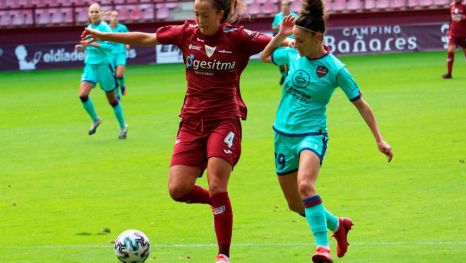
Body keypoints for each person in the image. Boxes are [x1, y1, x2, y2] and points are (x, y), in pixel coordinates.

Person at [81, 0, 272, 262]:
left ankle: (223, 255)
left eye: (205, 15)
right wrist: (105, 35)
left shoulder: (237, 37)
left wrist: (293, 41)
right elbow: (146, 38)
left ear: (220, 14)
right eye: (196, 14)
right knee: (178, 189)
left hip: (224, 119)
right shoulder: (186, 32)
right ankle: (218, 204)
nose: (199, 19)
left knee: (217, 184)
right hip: (191, 121)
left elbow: (274, 42)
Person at [260, 1, 393, 262]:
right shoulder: (292, 53)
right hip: (283, 136)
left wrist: (379, 138)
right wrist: (281, 36)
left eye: (299, 39)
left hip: (313, 135)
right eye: (294, 39)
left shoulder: (335, 69)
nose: (295, 44)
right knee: (296, 204)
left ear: (317, 37)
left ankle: (322, 248)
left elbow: (361, 105)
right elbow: (265, 57)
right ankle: (338, 225)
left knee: (306, 185)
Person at [75, 3, 128, 139]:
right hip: (90, 66)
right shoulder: (89, 28)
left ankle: (123, 126)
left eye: (96, 11)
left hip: (104, 67)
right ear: (88, 14)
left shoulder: (105, 28)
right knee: (83, 95)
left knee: (112, 100)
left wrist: (92, 44)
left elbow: (110, 48)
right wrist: (82, 47)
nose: (93, 14)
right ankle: (95, 119)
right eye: (91, 12)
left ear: (101, 13)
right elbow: (89, 47)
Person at [272, 0, 297, 85]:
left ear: (289, 6)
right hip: (281, 41)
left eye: (285, 5)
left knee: (289, 59)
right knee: (280, 59)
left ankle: (288, 76)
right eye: (282, 5)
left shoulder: (294, 16)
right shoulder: (278, 16)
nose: (283, 7)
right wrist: (277, 26)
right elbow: (273, 27)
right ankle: (283, 74)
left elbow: (298, 27)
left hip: (291, 41)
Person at [442, 0, 466, 79]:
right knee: (450, 50)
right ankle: (449, 73)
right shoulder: (451, 5)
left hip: (464, 33)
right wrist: (449, 29)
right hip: (453, 33)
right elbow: (451, 19)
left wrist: (461, 19)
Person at [109, 10, 130, 96]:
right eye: (113, 16)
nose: (115, 18)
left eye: (116, 16)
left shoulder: (122, 28)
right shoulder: (106, 28)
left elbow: (128, 37)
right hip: (110, 55)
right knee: (113, 76)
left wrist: (127, 44)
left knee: (119, 75)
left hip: (120, 53)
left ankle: (123, 85)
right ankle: (117, 94)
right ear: (110, 18)